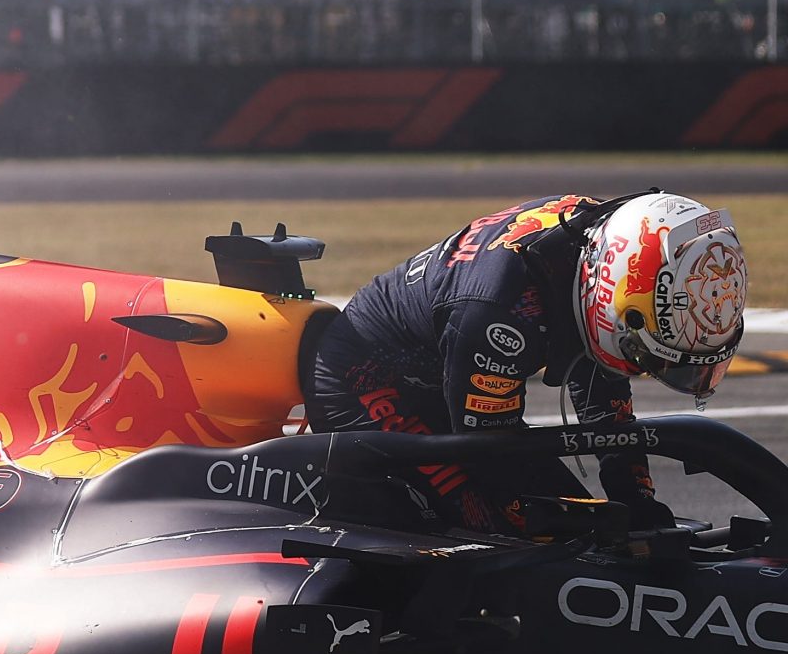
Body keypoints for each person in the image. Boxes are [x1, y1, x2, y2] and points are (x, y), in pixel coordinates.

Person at [306, 194, 748, 528]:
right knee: (484, 524)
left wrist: (634, 500)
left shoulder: (607, 249)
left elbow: (601, 390)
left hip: (450, 376)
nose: (653, 369)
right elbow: (487, 450)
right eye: (649, 354)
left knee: (596, 525)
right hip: (364, 379)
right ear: (618, 308)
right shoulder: (504, 313)